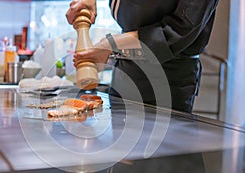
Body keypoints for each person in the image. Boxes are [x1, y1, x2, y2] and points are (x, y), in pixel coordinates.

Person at [66, 0, 219, 113]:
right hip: (124, 73)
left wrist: (111, 45)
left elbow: (178, 31)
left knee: (157, 152)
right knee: (120, 150)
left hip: (168, 80)